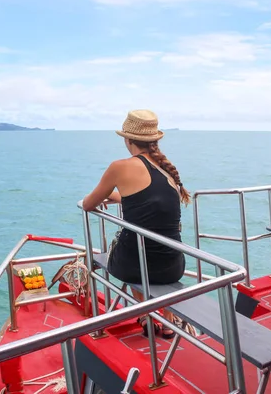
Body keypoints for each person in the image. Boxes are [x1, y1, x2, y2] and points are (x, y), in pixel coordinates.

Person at [82, 109, 191, 339]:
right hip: (173, 267)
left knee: (130, 245)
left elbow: (88, 205)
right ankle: (168, 321)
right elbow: (148, 200)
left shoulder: (119, 167)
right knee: (145, 245)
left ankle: (146, 316)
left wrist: (105, 195)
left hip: (132, 266)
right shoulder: (166, 169)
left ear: (127, 139)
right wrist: (116, 197)